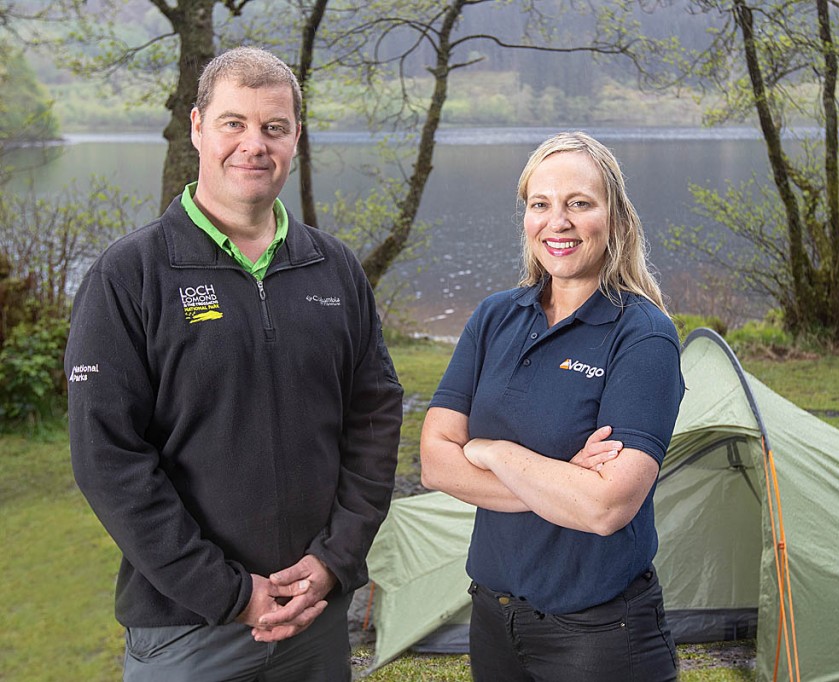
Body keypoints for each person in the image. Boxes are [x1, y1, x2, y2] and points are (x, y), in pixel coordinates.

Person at [65, 46, 404, 682]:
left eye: (273, 127)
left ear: (295, 137)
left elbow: (375, 419)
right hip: (189, 632)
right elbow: (107, 457)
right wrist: (227, 591)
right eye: (233, 123)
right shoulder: (129, 274)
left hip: (315, 616)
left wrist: (335, 559)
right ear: (197, 126)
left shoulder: (334, 270)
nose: (254, 144)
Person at [420, 131, 684, 681]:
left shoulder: (643, 336)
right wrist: (563, 480)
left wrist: (490, 450)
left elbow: (605, 509)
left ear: (614, 218)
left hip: (598, 636)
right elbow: (435, 461)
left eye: (579, 204)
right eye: (540, 205)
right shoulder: (494, 317)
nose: (557, 223)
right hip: (494, 618)